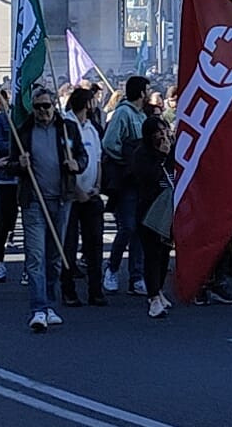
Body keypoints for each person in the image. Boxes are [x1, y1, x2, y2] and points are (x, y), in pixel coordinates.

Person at [18, 87, 86, 333]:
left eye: (46, 106)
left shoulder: (67, 128)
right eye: (38, 107)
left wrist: (76, 164)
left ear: (54, 105)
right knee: (36, 256)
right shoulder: (24, 131)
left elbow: (82, 155)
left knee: (55, 256)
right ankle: (37, 308)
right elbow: (12, 162)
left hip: (62, 199)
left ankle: (49, 304)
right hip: (35, 201)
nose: (43, 111)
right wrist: (19, 164)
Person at [101, 74, 149, 297]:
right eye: (146, 90)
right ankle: (112, 268)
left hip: (141, 181)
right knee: (128, 227)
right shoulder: (123, 113)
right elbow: (110, 142)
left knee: (140, 228)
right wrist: (127, 161)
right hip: (126, 181)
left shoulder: (142, 115)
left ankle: (136, 277)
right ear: (141, 93)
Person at [60, 87, 107, 307]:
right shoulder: (66, 127)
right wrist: (77, 191)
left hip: (91, 195)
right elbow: (65, 162)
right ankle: (68, 290)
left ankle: (95, 290)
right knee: (68, 245)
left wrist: (97, 186)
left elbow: (97, 159)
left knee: (94, 245)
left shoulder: (92, 128)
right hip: (71, 196)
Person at [135, 114, 177, 318]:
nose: (163, 135)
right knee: (152, 253)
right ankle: (152, 296)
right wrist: (160, 156)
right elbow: (146, 177)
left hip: (169, 208)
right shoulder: (142, 153)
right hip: (150, 209)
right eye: (158, 132)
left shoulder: (173, 150)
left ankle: (159, 290)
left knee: (164, 253)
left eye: (165, 130)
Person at [0, 91, 21, 283]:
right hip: (5, 178)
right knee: (1, 224)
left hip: (27, 179)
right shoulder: (1, 120)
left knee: (30, 223)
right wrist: (16, 148)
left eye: (1, 102)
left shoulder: (25, 118)